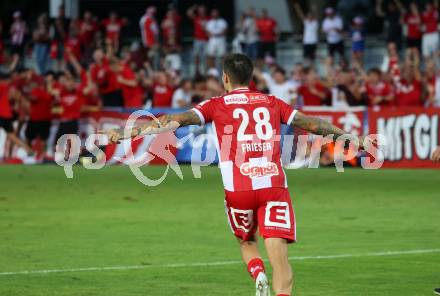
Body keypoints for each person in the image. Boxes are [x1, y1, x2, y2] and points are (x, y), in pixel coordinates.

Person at [100, 53, 370, 296]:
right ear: (251, 78)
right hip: (273, 187)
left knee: (246, 240)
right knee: (281, 260)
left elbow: (175, 121)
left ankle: (257, 272)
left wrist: (129, 132)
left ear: (225, 78)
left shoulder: (216, 104)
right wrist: (350, 138)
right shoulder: (272, 102)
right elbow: (313, 123)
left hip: (238, 190)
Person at [187, 5, 209, 73]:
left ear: (205, 10)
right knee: (196, 56)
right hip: (197, 40)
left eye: (202, 10)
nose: (201, 12)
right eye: (200, 10)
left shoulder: (208, 18)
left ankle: (203, 72)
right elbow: (188, 13)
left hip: (206, 40)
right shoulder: (196, 18)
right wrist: (194, 7)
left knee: (204, 57)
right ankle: (194, 71)